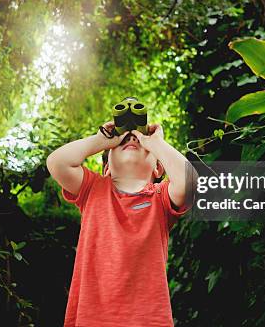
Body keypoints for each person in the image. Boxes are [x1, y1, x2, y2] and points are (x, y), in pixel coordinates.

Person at [46, 118, 195, 326]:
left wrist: (155, 142)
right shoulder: (92, 189)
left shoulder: (159, 197)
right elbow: (56, 162)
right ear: (107, 168)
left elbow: (190, 182)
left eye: (140, 142)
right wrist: (102, 140)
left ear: (158, 169)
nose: (133, 137)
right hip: (92, 319)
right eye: (120, 143)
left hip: (148, 321)